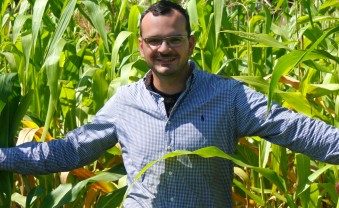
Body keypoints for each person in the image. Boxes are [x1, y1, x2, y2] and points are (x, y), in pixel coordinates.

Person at [1, 1, 339, 207]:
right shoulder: (125, 104)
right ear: (141, 47)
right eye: (154, 40)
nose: (165, 48)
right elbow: (70, 151)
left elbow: (297, 129)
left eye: (175, 39)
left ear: (191, 43)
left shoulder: (229, 96)